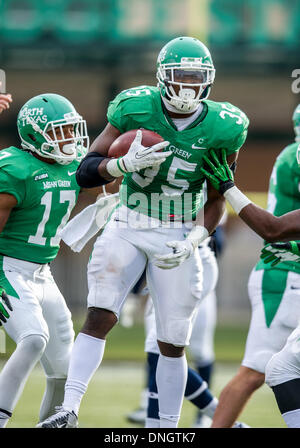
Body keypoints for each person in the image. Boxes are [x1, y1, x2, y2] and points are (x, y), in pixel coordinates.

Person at [37, 36, 249, 428]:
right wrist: (119, 167)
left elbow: (218, 197)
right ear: (162, 78)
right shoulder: (134, 106)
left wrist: (195, 240)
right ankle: (69, 409)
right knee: (100, 315)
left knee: (172, 342)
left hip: (180, 228)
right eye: (179, 76)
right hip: (130, 221)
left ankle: (164, 427)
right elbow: (86, 170)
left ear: (209, 80)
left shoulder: (226, 126)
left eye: (195, 77)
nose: (187, 86)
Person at [201, 108, 300, 427]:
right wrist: (228, 188)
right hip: (286, 272)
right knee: (259, 370)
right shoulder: (293, 158)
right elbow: (275, 229)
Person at [0, 93, 89, 428]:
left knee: (66, 367)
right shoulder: (14, 169)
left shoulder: (71, 164)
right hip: (7, 267)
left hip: (42, 274)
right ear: (36, 135)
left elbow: (103, 173)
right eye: (60, 132)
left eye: (71, 130)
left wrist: (125, 163)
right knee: (34, 338)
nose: (70, 139)